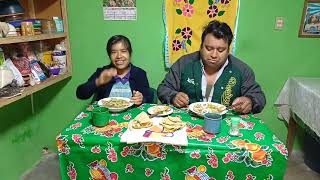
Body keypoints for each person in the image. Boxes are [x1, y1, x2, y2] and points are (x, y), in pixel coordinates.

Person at [157, 20, 266, 114]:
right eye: (209, 48)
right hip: (187, 122)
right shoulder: (184, 63)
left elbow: (259, 97)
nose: (214, 55)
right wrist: (173, 96)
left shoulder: (242, 70)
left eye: (220, 50)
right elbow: (163, 88)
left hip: (225, 125)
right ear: (201, 47)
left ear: (228, 50)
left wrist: (250, 101)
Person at [76, 35, 153, 105]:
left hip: (132, 118)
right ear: (109, 55)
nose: (119, 56)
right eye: (114, 52)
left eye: (123, 51)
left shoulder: (139, 73)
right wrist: (98, 81)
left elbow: (149, 98)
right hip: (105, 117)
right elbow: (80, 94)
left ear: (130, 53)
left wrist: (142, 98)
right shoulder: (103, 72)